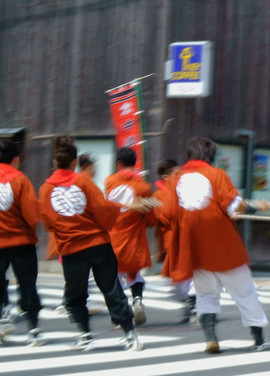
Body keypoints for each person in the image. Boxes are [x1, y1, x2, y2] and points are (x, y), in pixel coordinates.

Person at [153, 136, 268, 353]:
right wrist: (255, 208)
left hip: (193, 248)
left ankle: (211, 338)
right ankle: (259, 340)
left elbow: (166, 215)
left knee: (205, 294)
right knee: (245, 292)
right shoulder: (217, 175)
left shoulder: (174, 180)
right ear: (211, 156)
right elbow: (235, 206)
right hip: (223, 246)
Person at [38, 135, 141, 351]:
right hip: (98, 244)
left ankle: (85, 335)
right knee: (112, 290)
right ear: (74, 162)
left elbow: (48, 223)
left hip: (71, 249)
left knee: (76, 294)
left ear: (55, 162)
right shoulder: (83, 181)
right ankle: (130, 334)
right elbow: (102, 208)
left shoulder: (45, 189)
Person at [0, 138, 43, 346]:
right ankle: (33, 330)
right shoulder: (21, 180)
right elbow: (32, 214)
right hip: (22, 242)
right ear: (16, 159)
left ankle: (1, 320)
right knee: (28, 285)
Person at [105, 146, 154, 326]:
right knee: (134, 273)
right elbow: (150, 216)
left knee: (114, 276)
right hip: (135, 236)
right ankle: (137, 300)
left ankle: (121, 313)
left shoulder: (109, 182)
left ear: (118, 164)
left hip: (114, 236)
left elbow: (107, 208)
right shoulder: (143, 187)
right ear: (134, 164)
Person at [154, 158, 195, 324]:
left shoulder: (183, 190)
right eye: (176, 174)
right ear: (166, 177)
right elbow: (167, 215)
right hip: (171, 240)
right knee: (178, 279)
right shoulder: (159, 195)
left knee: (187, 276)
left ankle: (192, 306)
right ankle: (190, 304)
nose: (180, 176)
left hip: (185, 237)